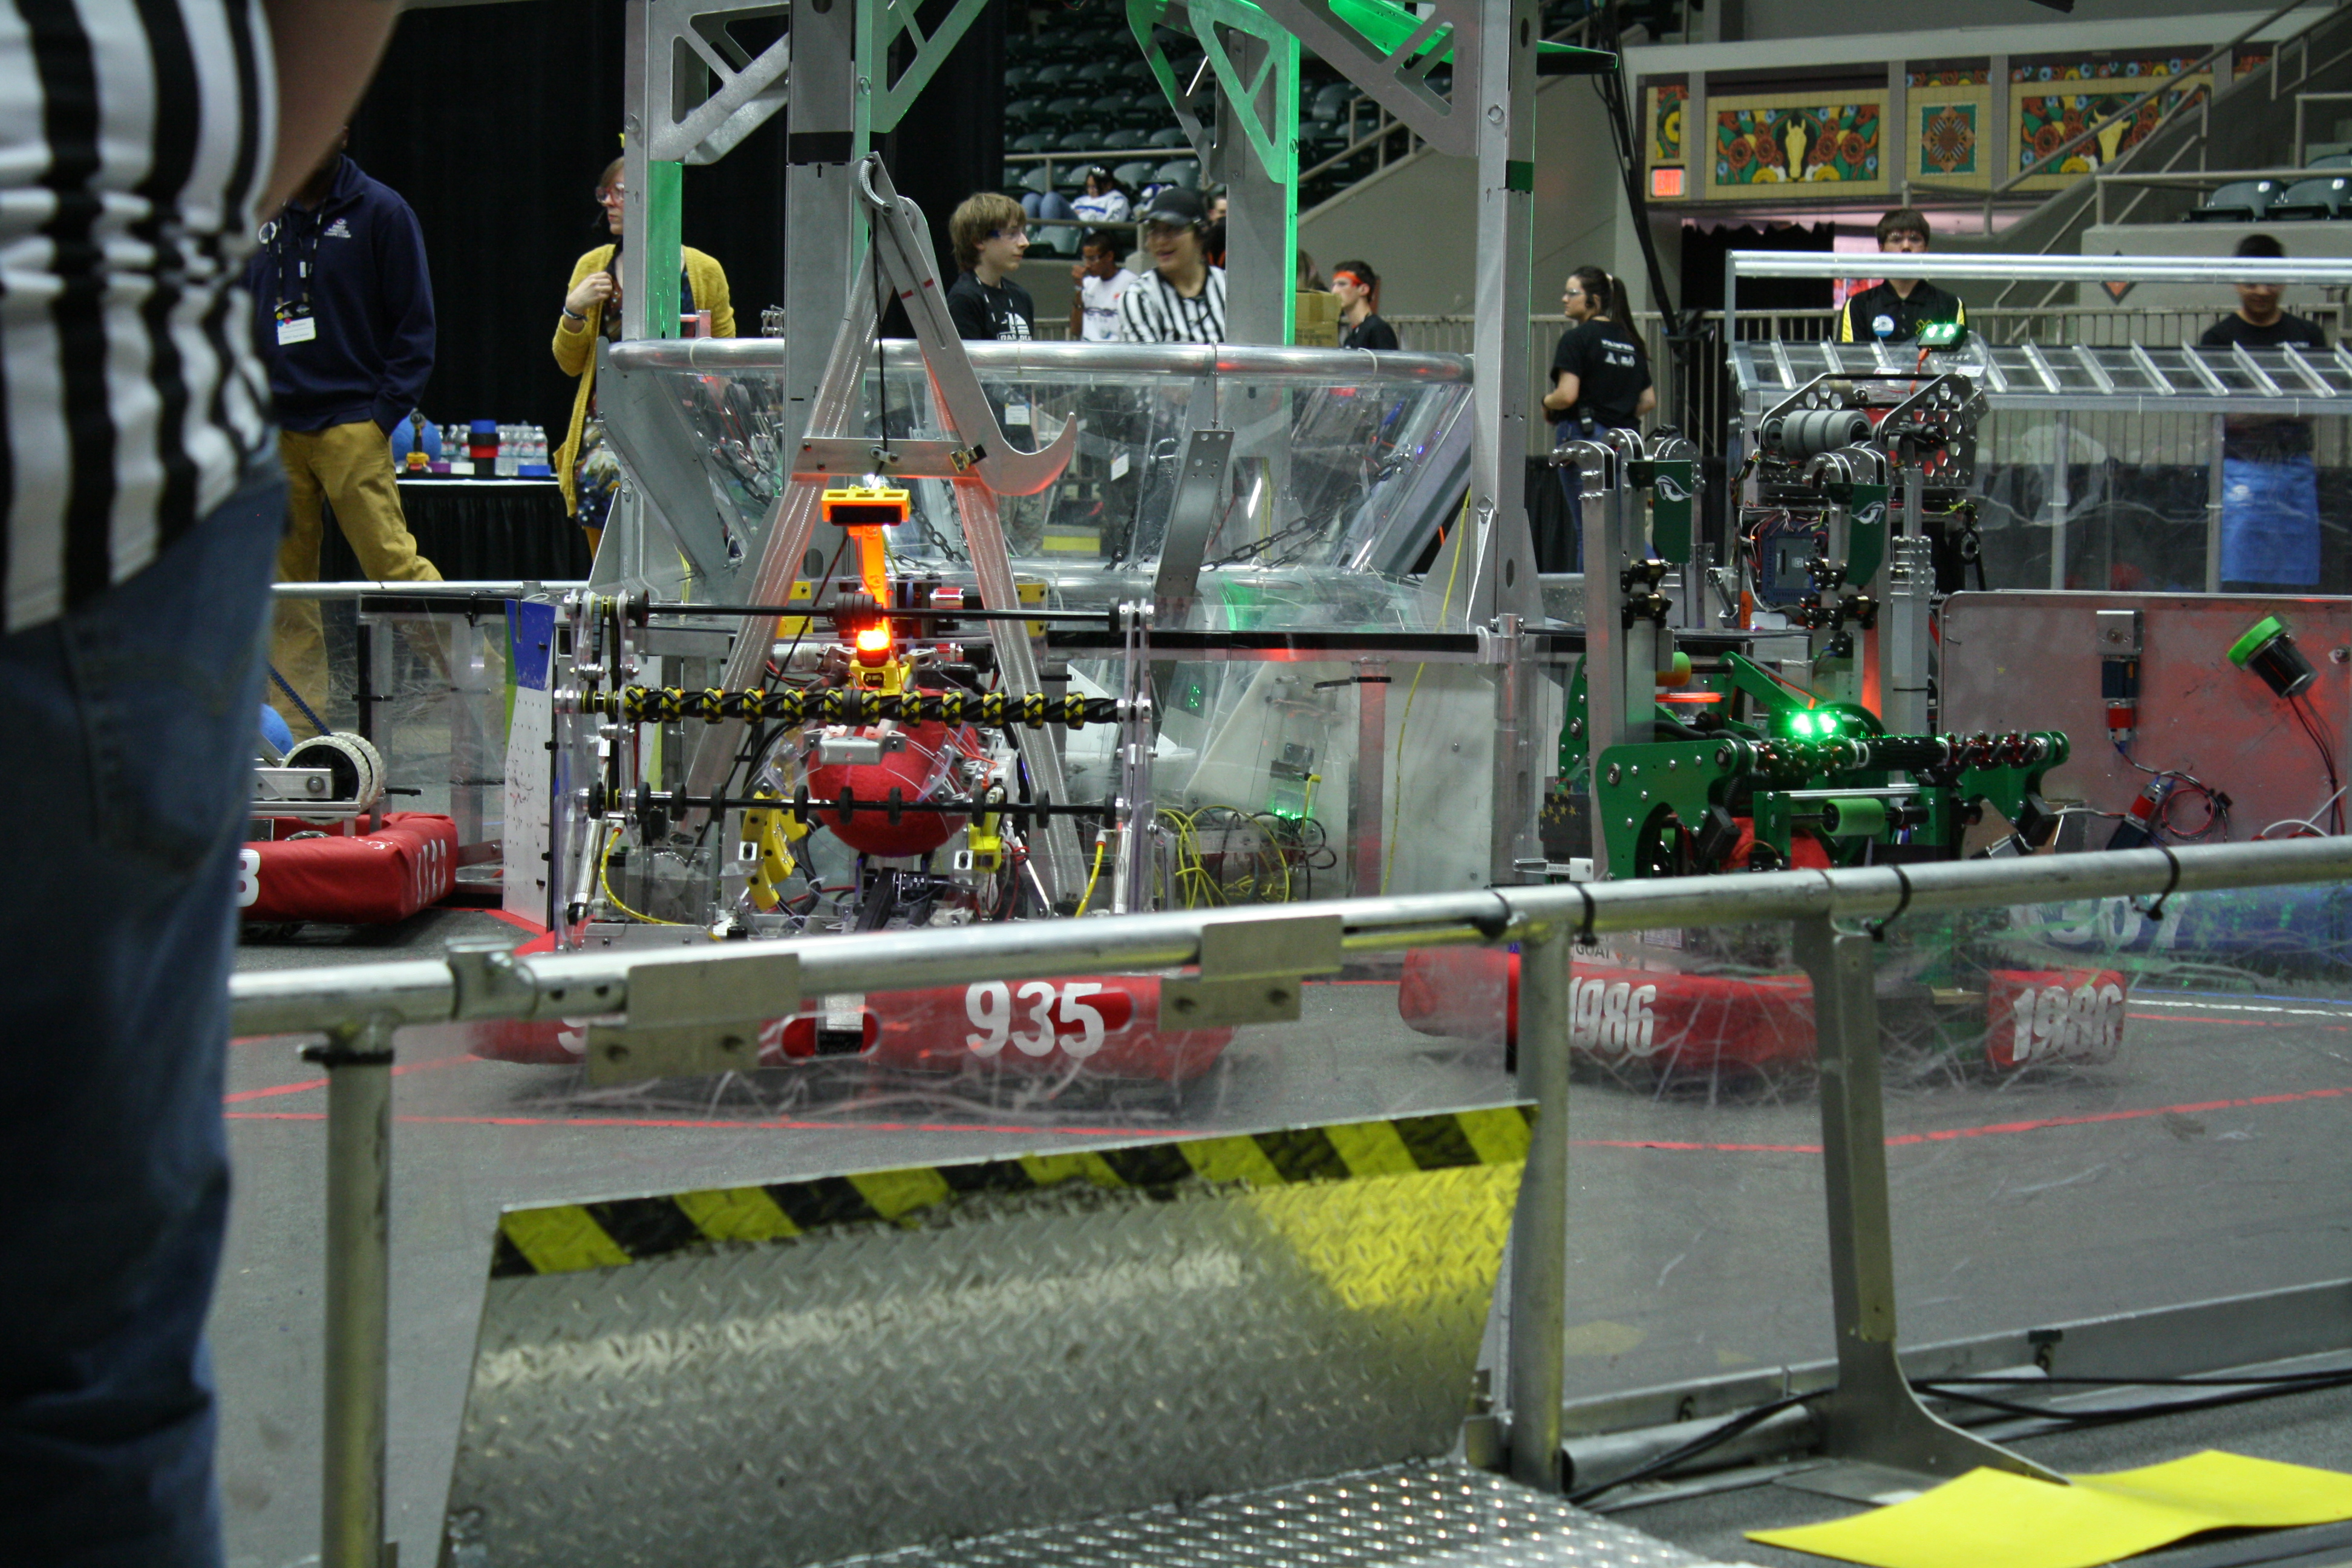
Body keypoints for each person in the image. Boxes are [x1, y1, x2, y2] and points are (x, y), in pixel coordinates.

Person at [0, 8, 401, 1563]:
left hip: (157, 465)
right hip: (121, 446)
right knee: (86, 1355)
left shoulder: (373, 219)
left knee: (90, 1350)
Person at [247, 128, 440, 737]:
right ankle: (297, 735)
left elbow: (415, 325)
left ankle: (480, 685)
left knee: (393, 565)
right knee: (285, 592)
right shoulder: (260, 211)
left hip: (352, 425)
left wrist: (381, 415)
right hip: (274, 430)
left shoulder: (380, 211)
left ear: (345, 132)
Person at [554, 155, 736, 555]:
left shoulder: (705, 270)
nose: (608, 202)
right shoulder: (593, 266)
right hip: (613, 423)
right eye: (605, 193)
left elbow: (726, 366)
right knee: (604, 477)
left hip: (690, 423)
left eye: (620, 192)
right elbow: (569, 364)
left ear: (653, 198)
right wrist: (574, 310)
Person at [2201, 233, 2329, 592]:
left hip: (2295, 470)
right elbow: (2225, 415)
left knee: (2296, 581)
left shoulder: (2308, 334)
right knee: (2237, 577)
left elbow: (2313, 407)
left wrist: (2254, 406)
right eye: (2251, 282)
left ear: (2284, 280)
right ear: (2236, 281)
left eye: (2270, 282)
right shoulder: (2218, 338)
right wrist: (2286, 403)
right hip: (2238, 469)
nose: (2261, 291)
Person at [1541, 267, 1655, 440]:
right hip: (1627, 438)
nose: (1565, 299)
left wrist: (1547, 402)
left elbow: (1567, 396)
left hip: (1586, 435)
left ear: (1594, 300)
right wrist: (1618, 417)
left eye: (1572, 293)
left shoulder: (1576, 338)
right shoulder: (1632, 341)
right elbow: (1648, 401)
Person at [1837, 207, 1965, 345]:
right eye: (1896, 239)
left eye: (1915, 239)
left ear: (1926, 249)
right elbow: (1850, 357)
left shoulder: (1950, 304)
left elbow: (1958, 355)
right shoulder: (1858, 306)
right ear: (1882, 248)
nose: (1906, 246)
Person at [1116, 186, 1227, 344]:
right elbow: (1147, 359)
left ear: (1201, 234)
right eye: (1154, 230)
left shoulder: (1228, 287)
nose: (1161, 241)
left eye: (1173, 229)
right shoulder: (1140, 297)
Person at [946, 192, 1036, 341]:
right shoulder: (964, 299)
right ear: (979, 241)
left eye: (1023, 232)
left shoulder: (1021, 297)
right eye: (1012, 233)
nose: (1025, 243)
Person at [1071, 229, 1138, 342]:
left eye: (1093, 259)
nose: (1088, 265)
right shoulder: (1087, 283)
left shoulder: (1131, 284)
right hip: (1088, 349)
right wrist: (1079, 289)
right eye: (1085, 259)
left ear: (1109, 256)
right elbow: (1075, 330)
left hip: (1116, 350)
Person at [1333, 260, 1399, 351]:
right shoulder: (1352, 337)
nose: (1334, 291)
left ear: (1363, 289)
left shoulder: (1377, 329)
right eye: (1334, 285)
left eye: (1342, 284)